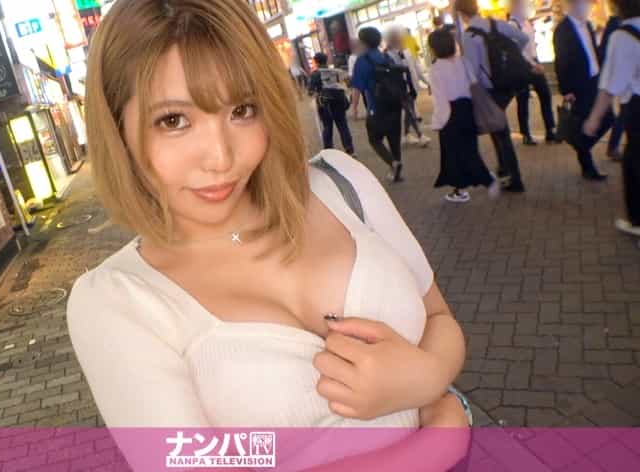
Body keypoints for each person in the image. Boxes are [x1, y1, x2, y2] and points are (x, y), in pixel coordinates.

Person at [69, 0, 470, 469]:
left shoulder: (341, 183)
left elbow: (437, 315)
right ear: (118, 129)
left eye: (242, 110)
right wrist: (437, 445)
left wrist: (428, 375)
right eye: (174, 121)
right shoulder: (117, 300)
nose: (221, 158)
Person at [455, 0, 527, 192]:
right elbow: (523, 38)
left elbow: (472, 71)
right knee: (498, 127)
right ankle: (504, 170)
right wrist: (511, 58)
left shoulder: (469, 35)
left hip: (490, 89)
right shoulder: (497, 24)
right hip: (509, 84)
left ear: (461, 14)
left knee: (500, 131)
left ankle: (514, 177)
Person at [583, 0, 640, 236]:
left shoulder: (623, 35)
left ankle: (637, 221)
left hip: (637, 106)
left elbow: (611, 85)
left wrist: (594, 118)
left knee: (635, 164)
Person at [428, 29, 500, 203]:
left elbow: (440, 100)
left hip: (450, 114)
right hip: (467, 109)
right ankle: (461, 188)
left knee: (456, 153)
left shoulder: (435, 69)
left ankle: (486, 181)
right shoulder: (463, 62)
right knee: (468, 149)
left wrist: (438, 122)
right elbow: (473, 83)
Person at [554, 0, 613, 181]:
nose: (588, 7)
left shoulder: (587, 25)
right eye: (585, 3)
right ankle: (587, 164)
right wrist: (566, 89)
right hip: (579, 84)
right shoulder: (563, 29)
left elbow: (592, 51)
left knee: (607, 116)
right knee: (587, 119)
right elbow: (561, 61)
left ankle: (581, 144)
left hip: (594, 79)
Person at [351, 27, 407, 182]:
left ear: (363, 42)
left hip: (376, 106)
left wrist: (354, 107)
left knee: (374, 139)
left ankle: (393, 163)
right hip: (395, 104)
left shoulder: (362, 60)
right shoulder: (386, 57)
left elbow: (357, 87)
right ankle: (397, 173)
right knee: (394, 139)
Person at [509, 0, 558, 145]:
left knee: (545, 94)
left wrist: (537, 61)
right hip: (522, 66)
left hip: (534, 61)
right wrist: (532, 64)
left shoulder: (527, 23)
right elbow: (516, 50)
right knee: (523, 99)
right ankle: (526, 134)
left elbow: (531, 46)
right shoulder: (513, 25)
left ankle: (550, 130)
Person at [386, 28, 432, 147]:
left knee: (408, 111)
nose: (401, 40)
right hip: (398, 88)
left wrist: (427, 82)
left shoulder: (407, 52)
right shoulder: (387, 55)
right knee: (410, 110)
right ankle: (420, 135)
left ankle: (406, 135)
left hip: (411, 86)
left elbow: (416, 68)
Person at [309, 52, 355, 157]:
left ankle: (329, 152)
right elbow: (349, 83)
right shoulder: (336, 71)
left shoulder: (315, 74)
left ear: (316, 62)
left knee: (327, 127)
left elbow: (310, 91)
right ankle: (350, 150)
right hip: (339, 100)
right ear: (326, 60)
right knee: (342, 125)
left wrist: (315, 92)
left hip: (324, 103)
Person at [601, 13, 625, 160]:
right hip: (623, 76)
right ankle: (613, 146)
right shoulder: (616, 24)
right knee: (624, 112)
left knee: (624, 112)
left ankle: (613, 146)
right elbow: (606, 51)